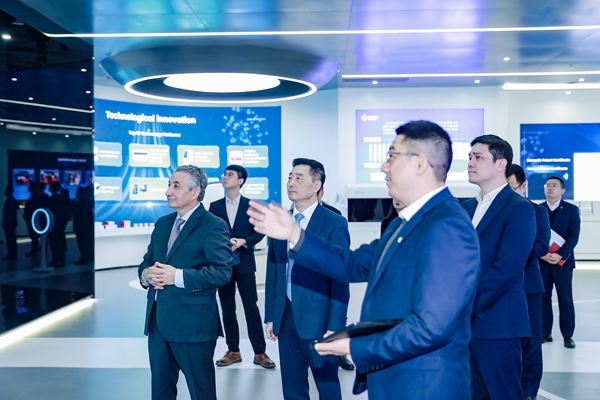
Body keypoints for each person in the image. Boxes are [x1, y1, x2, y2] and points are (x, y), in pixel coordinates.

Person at [249, 121, 481, 400]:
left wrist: (355, 345)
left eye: (392, 157)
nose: (383, 167)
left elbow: (430, 328)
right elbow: (351, 264)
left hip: (423, 385)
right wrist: (295, 234)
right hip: (395, 377)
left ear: (420, 164)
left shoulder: (447, 226)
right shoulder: (403, 224)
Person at [138, 165, 233, 400]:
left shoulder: (213, 225)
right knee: (160, 392)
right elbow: (147, 261)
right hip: (158, 323)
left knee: (201, 392)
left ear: (195, 192)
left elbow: (222, 272)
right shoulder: (163, 223)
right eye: (169, 185)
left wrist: (178, 276)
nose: (168, 191)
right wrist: (146, 274)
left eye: (176, 186)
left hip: (193, 326)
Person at [264, 158, 350, 400]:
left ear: (316, 185)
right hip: (286, 316)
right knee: (292, 387)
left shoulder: (334, 223)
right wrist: (271, 315)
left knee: (328, 387)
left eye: (299, 178)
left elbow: (340, 277)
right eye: (290, 177)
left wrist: (335, 325)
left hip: (320, 320)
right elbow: (274, 270)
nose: (291, 182)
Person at [461, 135, 536, 400]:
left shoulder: (519, 208)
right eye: (470, 157)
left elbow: (506, 268)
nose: (470, 162)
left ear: (500, 164)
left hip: (498, 324)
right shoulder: (466, 207)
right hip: (463, 327)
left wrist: (463, 305)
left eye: (478, 157)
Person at [209, 165, 275, 369]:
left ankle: (260, 352)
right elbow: (210, 232)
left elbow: (260, 231)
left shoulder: (251, 206)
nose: (225, 177)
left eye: (230, 175)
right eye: (224, 174)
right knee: (227, 307)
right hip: (223, 264)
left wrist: (244, 241)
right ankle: (233, 350)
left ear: (241, 181)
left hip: (245, 262)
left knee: (251, 307)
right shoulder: (214, 206)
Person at [507, 164, 551, 399]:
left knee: (532, 342)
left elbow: (541, 246)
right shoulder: (492, 211)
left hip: (528, 287)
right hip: (500, 288)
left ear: (523, 186)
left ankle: (529, 391)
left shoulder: (537, 211)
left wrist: (509, 255)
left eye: (511, 188)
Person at [317, 184, 356, 372]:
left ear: (320, 192)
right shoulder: (292, 215)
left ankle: (340, 353)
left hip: (329, 274)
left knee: (337, 314)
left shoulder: (334, 215)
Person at [539, 176, 581, 349]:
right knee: (543, 299)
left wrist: (561, 255)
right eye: (548, 185)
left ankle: (567, 335)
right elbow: (533, 234)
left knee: (565, 300)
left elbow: (574, 236)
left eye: (554, 185)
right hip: (543, 262)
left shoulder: (572, 210)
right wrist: (542, 254)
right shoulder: (538, 209)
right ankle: (545, 332)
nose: (550, 188)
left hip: (563, 263)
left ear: (562, 190)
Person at [23, 182, 49, 257]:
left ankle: (40, 248)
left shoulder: (39, 197)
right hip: (33, 218)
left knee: (37, 235)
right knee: (34, 235)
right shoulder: (35, 196)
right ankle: (38, 248)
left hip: (38, 219)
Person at [73, 185, 94, 265]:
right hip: (86, 226)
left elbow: (78, 217)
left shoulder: (80, 203)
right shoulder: (89, 202)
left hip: (82, 227)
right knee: (86, 243)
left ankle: (84, 258)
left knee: (83, 243)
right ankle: (87, 257)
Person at [2, 185, 19, 261]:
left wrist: (6, 222)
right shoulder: (12, 200)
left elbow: (8, 213)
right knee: (11, 238)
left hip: (9, 223)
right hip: (10, 222)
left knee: (10, 239)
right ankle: (12, 253)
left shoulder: (10, 200)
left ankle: (12, 254)